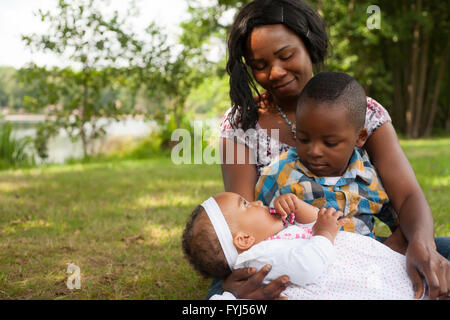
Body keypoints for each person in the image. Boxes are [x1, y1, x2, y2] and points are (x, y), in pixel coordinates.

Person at [217, 0, 449, 300]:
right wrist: (241, 282)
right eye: (259, 66)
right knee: (225, 290)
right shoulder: (241, 124)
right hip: (289, 254)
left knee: (437, 254)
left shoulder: (361, 110)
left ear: (309, 43)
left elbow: (407, 196)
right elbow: (242, 217)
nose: (274, 72)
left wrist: (420, 242)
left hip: (362, 245)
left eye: (286, 55)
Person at [182, 192, 418, 299]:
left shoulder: (274, 239)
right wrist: (324, 232)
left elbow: (316, 224)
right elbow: (308, 264)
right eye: (245, 204)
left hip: (374, 267)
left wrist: (297, 206)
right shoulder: (259, 259)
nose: (256, 201)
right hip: (365, 286)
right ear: (244, 239)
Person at [256, 72, 398, 239]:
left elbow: (399, 219)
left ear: (359, 137)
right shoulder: (279, 174)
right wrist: (276, 208)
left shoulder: (368, 177)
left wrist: (395, 247)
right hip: (308, 258)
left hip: (364, 259)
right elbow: (256, 225)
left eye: (330, 143)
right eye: (303, 139)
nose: (314, 151)